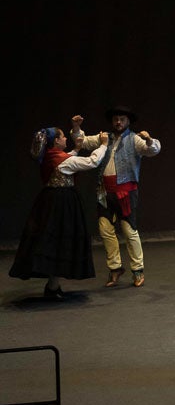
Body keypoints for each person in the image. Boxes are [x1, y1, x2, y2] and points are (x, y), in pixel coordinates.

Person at [9, 126, 109, 299]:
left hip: (49, 201)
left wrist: (77, 149)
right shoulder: (61, 160)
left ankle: (53, 285)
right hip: (62, 204)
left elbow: (66, 160)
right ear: (56, 141)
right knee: (61, 241)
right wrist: (104, 145)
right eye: (63, 137)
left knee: (54, 242)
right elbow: (91, 162)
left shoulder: (49, 157)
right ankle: (52, 286)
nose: (65, 139)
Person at [69, 106, 161, 288]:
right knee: (105, 231)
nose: (118, 122)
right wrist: (76, 128)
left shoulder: (135, 139)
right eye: (115, 119)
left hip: (126, 192)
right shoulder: (105, 138)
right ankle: (115, 267)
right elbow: (83, 142)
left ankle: (138, 269)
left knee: (129, 231)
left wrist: (149, 140)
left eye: (122, 119)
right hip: (105, 193)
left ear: (128, 121)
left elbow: (153, 150)